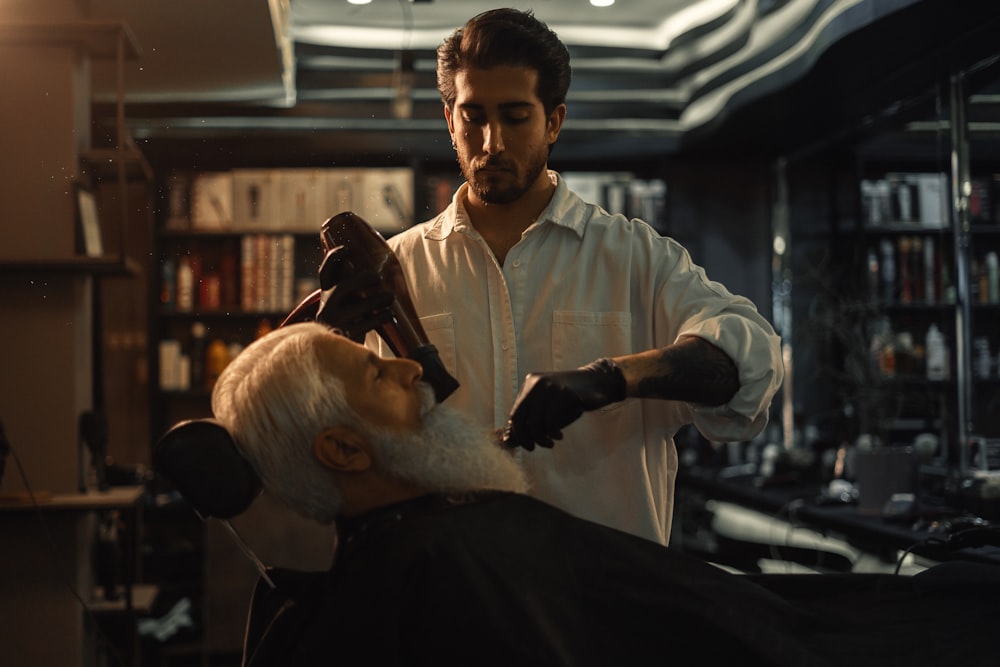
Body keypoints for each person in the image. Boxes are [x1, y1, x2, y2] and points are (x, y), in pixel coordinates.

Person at [208, 322, 999, 667]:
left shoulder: (424, 547)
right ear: (343, 448)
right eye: (378, 371)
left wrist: (613, 378)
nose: (414, 367)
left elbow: (743, 352)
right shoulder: (433, 570)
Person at [364, 8, 784, 545]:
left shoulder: (635, 257)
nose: (491, 143)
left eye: (515, 117)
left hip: (602, 603)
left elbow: (752, 359)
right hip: (451, 597)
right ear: (450, 121)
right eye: (473, 117)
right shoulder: (397, 269)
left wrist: (609, 379)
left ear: (554, 121)